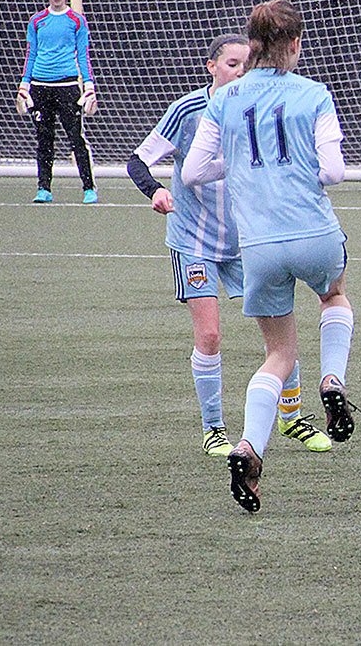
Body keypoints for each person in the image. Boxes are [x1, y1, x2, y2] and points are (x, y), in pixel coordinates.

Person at [182, 0, 356, 513]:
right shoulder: (314, 95)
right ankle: (332, 379)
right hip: (313, 232)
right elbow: (334, 171)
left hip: (257, 246)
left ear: (251, 45)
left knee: (278, 355)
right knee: (335, 297)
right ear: (296, 44)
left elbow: (192, 173)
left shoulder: (226, 99)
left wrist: (238, 168)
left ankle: (248, 447)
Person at [127, 34, 333, 459]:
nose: (239, 71)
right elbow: (138, 160)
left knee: (279, 337)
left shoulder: (252, 107)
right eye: (232, 63)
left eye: (246, 63)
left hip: (248, 241)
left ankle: (291, 417)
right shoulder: (187, 110)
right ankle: (214, 428)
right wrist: (154, 191)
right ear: (211, 67)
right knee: (210, 334)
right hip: (194, 240)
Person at [17, 0, 97, 204]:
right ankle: (44, 188)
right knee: (44, 137)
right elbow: (31, 54)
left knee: (76, 138)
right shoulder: (37, 21)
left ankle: (89, 188)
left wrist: (89, 86)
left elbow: (83, 55)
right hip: (41, 86)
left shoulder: (77, 20)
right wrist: (25, 83)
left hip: (68, 86)